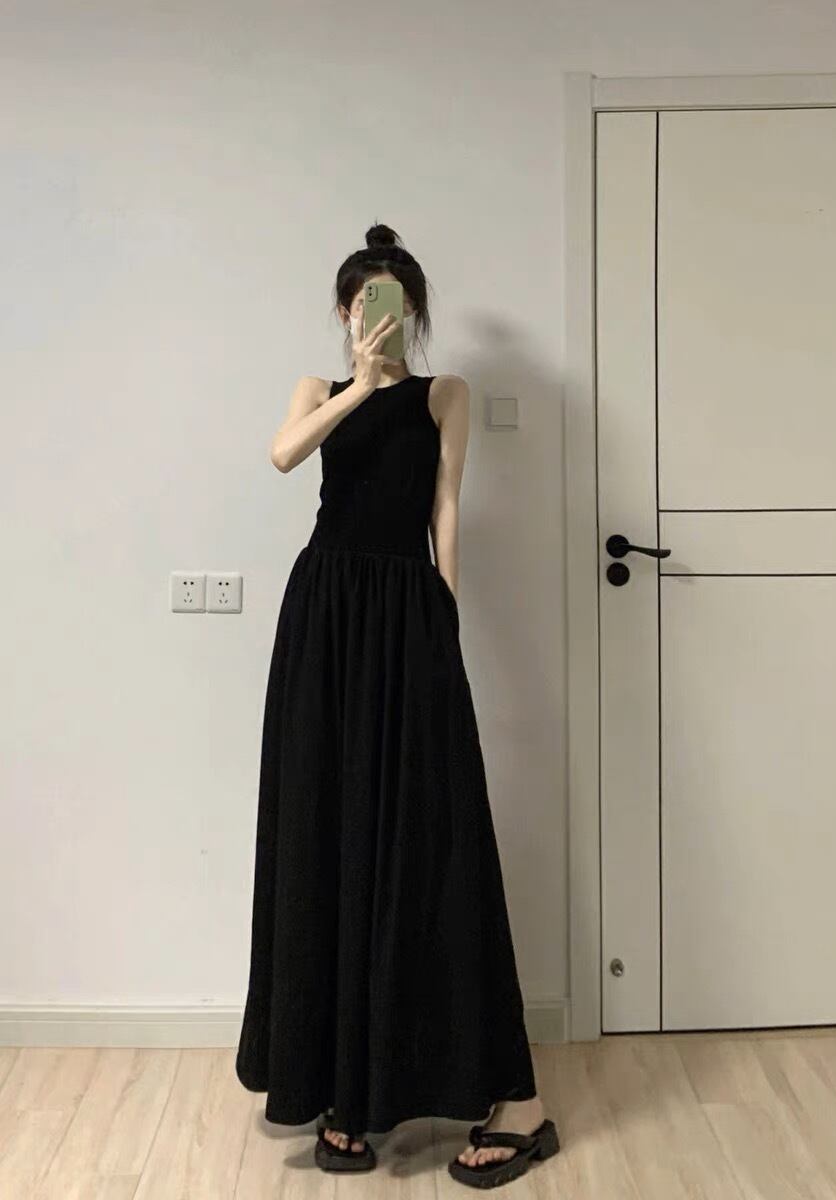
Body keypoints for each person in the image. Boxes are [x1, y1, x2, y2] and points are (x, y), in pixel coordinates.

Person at [235, 222, 559, 1188]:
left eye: (390, 304)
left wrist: (442, 623)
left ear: (411, 312)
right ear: (344, 312)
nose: (373, 316)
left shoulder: (446, 394)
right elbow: (282, 456)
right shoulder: (318, 390)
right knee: (326, 831)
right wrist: (361, 386)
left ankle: (513, 1098)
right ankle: (345, 1086)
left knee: (432, 837)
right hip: (324, 619)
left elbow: (444, 507)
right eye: (359, 303)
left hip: (407, 612)